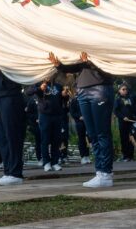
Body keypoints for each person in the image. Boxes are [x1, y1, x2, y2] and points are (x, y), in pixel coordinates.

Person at [49, 51, 114, 187]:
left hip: (100, 87)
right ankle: (99, 171)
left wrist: (89, 62)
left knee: (102, 133)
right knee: (92, 135)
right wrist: (59, 65)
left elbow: (109, 62)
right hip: (82, 91)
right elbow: (75, 66)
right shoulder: (81, 52)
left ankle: (106, 173)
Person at [27, 76, 63, 172]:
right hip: (45, 115)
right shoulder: (39, 83)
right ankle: (46, 162)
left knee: (56, 140)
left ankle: (55, 162)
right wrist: (39, 88)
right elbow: (28, 92)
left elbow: (62, 101)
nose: (49, 76)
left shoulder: (58, 86)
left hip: (57, 115)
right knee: (45, 139)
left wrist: (65, 96)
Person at [114, 84, 136, 162]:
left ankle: (131, 155)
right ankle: (126, 156)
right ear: (119, 90)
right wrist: (123, 117)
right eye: (123, 89)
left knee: (131, 138)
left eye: (126, 89)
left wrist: (135, 117)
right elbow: (116, 111)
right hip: (123, 122)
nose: (125, 91)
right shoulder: (117, 100)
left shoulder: (130, 98)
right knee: (124, 138)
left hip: (131, 121)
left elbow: (133, 109)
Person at [69, 94, 91, 164]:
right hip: (79, 122)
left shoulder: (87, 98)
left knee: (88, 138)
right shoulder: (74, 100)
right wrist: (79, 117)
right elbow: (72, 112)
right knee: (81, 139)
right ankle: (83, 156)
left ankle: (87, 155)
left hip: (87, 122)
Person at [24, 94, 42, 166]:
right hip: (36, 125)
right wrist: (36, 119)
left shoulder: (46, 97)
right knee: (39, 141)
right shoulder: (32, 100)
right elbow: (28, 113)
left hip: (46, 123)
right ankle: (39, 158)